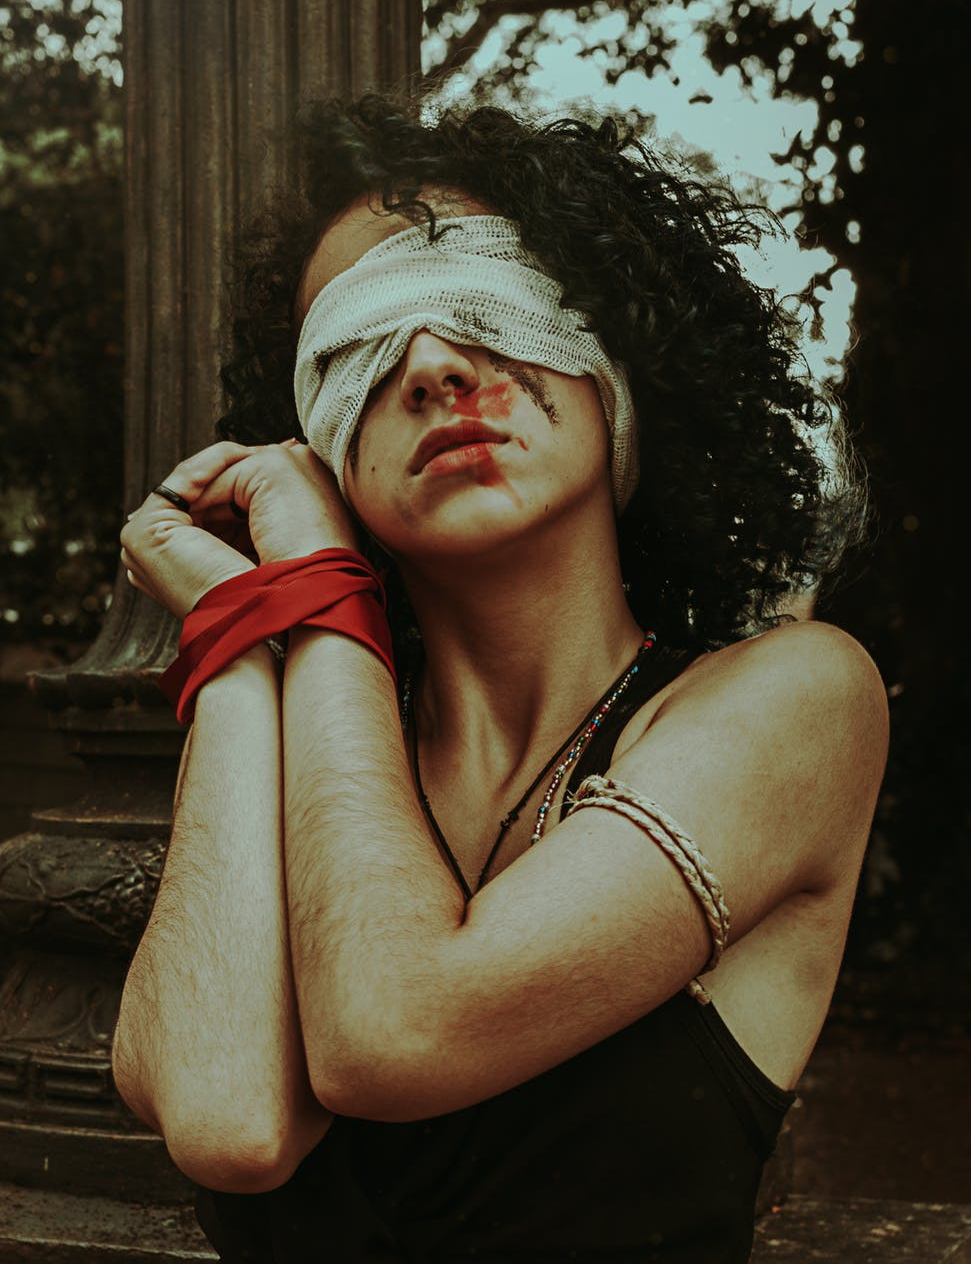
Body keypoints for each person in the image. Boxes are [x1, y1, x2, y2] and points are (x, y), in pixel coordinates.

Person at [112, 94, 888, 1263]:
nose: (429, 363)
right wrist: (243, 634)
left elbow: (391, 1032)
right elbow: (231, 1125)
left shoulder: (795, 697)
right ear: (316, 447)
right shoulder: (306, 731)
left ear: (615, 362)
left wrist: (314, 588)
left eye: (484, 297)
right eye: (361, 342)